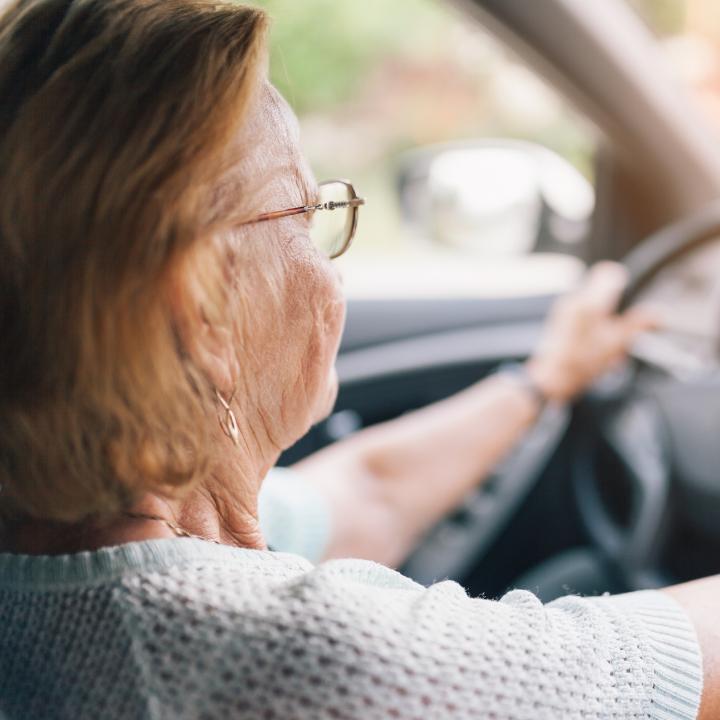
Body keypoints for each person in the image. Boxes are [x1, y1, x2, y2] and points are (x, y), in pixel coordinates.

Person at [0, 2, 716, 719]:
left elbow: (369, 491)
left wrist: (543, 382)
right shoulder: (300, 663)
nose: (329, 267)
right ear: (203, 305)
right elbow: (659, 667)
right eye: (308, 214)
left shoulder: (56, 544)